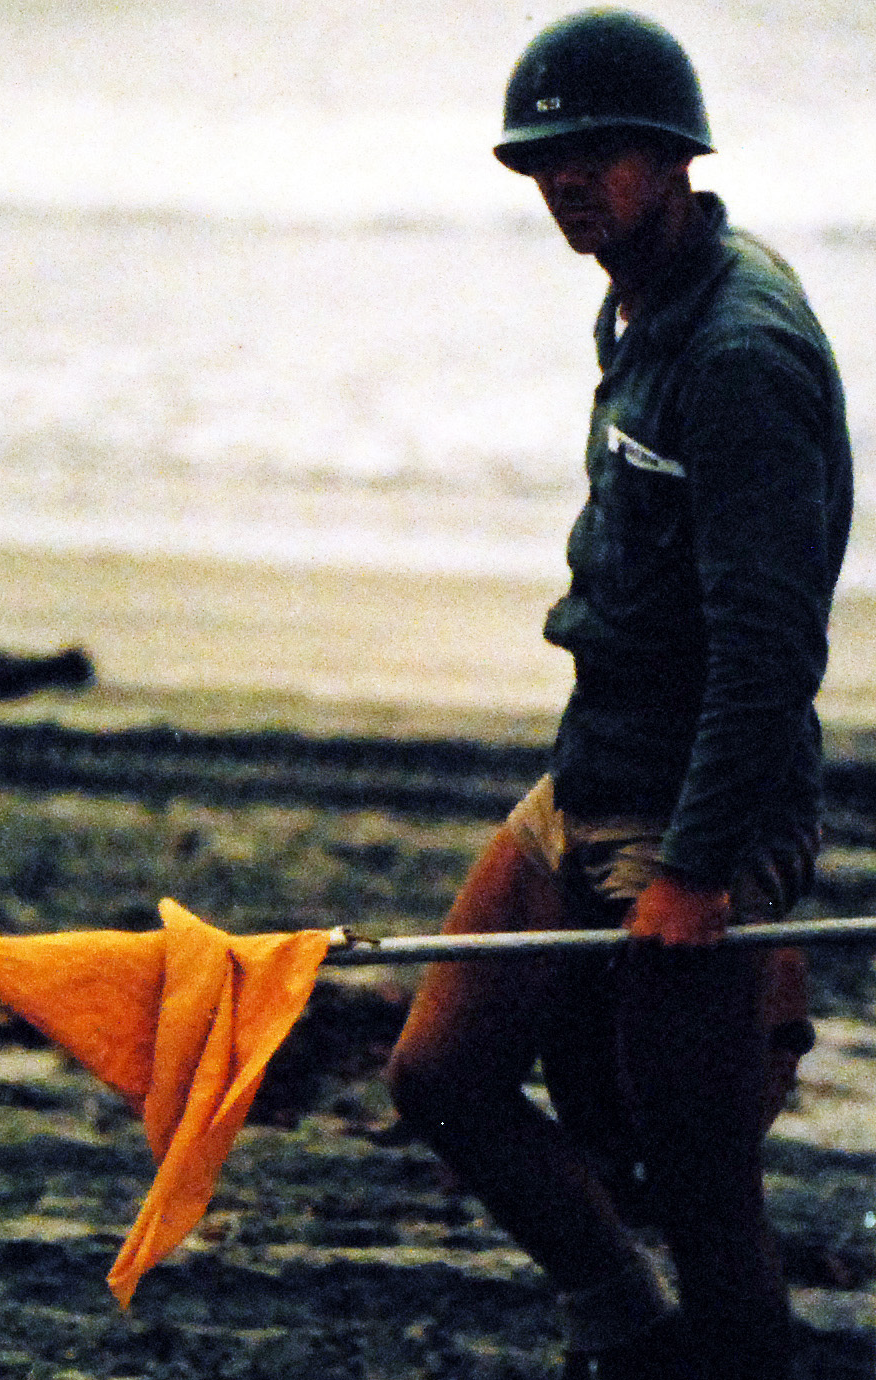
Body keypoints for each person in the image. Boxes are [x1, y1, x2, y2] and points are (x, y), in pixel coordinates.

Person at [385, 10, 853, 1380]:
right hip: (594, 769)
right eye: (543, 158)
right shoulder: (639, 302)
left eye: (592, 153)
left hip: (696, 809)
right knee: (441, 1078)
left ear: (671, 151)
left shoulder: (739, 353)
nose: (564, 181)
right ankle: (625, 1327)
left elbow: (770, 650)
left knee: (707, 1191)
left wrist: (702, 871)